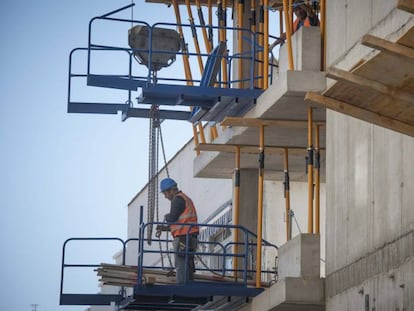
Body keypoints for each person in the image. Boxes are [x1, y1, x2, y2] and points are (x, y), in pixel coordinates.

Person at [156, 178, 199, 284]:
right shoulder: (185, 198)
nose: (166, 197)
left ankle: (182, 285)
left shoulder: (177, 200)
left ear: (171, 190)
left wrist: (167, 217)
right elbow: (180, 223)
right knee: (187, 263)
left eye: (165, 194)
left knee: (181, 263)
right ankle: (188, 284)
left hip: (183, 238)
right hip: (190, 236)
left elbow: (172, 217)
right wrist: (165, 228)